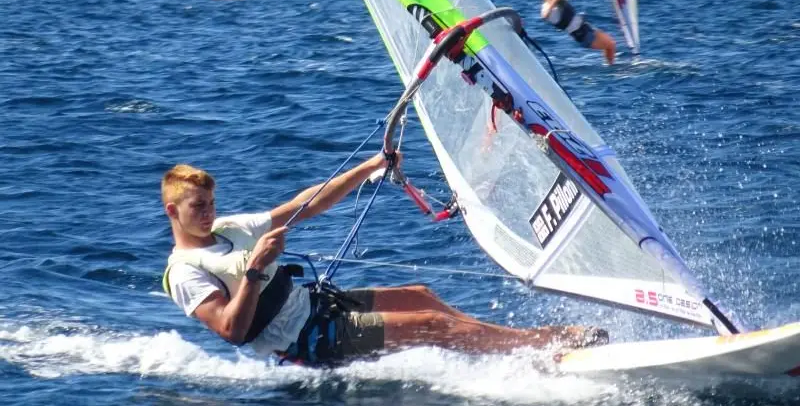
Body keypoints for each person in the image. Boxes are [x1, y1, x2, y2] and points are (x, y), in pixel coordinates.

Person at [161, 153, 609, 365]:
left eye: (210, 203)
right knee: (435, 328)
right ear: (172, 211)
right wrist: (256, 269)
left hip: (318, 306)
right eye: (197, 207)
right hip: (307, 341)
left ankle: (521, 343)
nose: (208, 213)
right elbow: (231, 331)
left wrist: (370, 167)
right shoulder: (185, 272)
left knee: (424, 297)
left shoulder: (230, 228)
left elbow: (308, 204)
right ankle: (545, 347)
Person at [541, 0, 616, 65]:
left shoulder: (560, 1)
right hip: (583, 35)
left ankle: (609, 65)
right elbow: (544, 16)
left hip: (586, 27)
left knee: (611, 44)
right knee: (610, 45)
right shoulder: (546, 8)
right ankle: (610, 68)